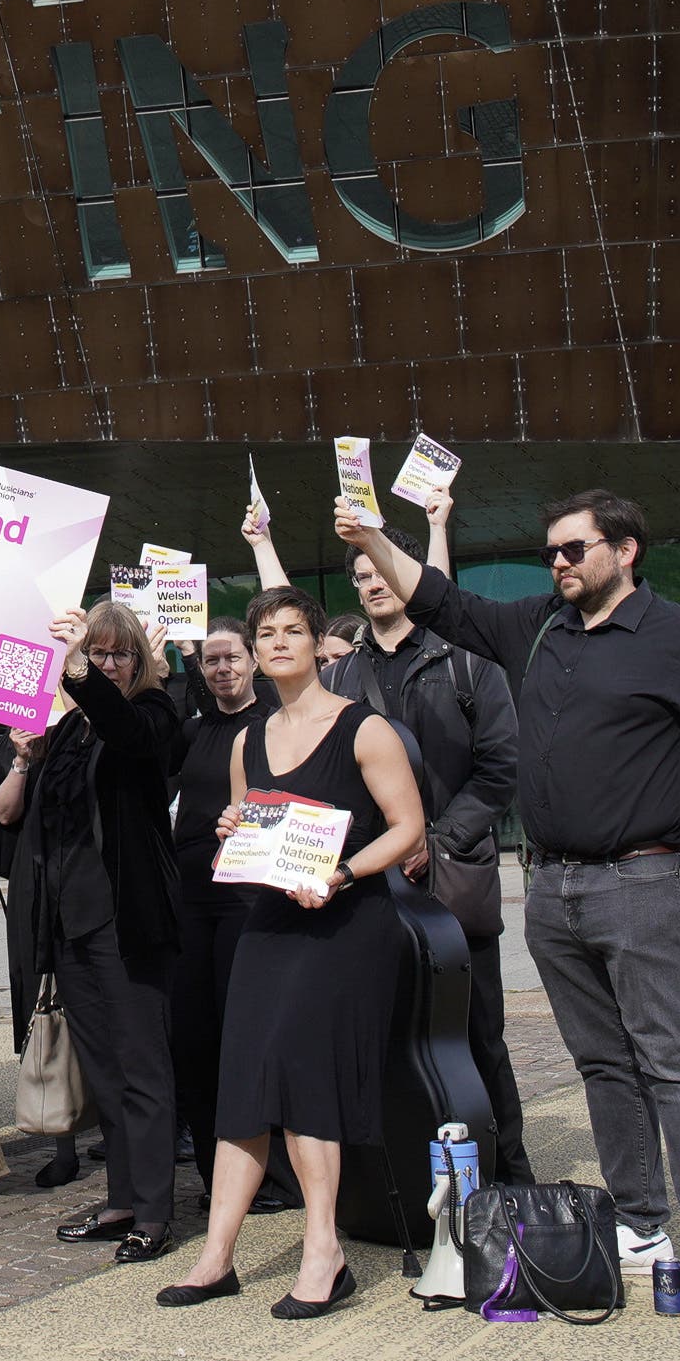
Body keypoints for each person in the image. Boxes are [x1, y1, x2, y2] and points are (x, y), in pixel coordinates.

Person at [339, 487, 680, 1271]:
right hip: (554, 886)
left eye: (575, 549)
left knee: (671, 1059)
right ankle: (640, 1220)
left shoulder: (679, 636)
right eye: (552, 553)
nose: (559, 563)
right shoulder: (539, 628)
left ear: (625, 551)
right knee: (602, 1063)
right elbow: (439, 598)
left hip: (648, 877)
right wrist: (369, 532)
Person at [159, 587, 428, 1312]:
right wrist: (233, 834)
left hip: (345, 925)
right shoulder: (251, 740)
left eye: (292, 631)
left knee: (308, 1080)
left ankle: (323, 1249)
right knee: (243, 1079)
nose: (278, 643)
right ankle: (217, 1256)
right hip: (272, 922)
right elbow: (252, 831)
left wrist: (341, 873)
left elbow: (407, 829)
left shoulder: (365, 730)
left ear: (315, 643)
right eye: (266, 633)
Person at [256, 497, 530, 1181]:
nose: (372, 583)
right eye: (359, 577)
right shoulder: (342, 676)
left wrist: (438, 838)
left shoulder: (468, 659)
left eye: (380, 570)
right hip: (368, 884)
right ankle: (398, 1176)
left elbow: (502, 767)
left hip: (453, 879)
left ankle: (506, 1170)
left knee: (475, 1035)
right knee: (377, 1032)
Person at [0, 601, 184, 1264]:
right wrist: (28, 754)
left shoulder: (153, 714)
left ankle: (156, 1213)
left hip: (127, 922)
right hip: (72, 923)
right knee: (104, 1072)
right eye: (95, 653)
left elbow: (130, 732)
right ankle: (123, 1199)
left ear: (138, 662)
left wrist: (78, 670)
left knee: (143, 1068)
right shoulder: (69, 730)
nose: (105, 663)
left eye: (116, 654)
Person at [160, 606, 274, 1207]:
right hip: (192, 901)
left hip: (250, 901)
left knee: (246, 1035)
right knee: (197, 1038)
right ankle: (214, 1175)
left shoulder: (276, 725)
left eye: (233, 656)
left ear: (254, 660)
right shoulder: (193, 732)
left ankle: (269, 1174)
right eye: (212, 660)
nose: (223, 667)